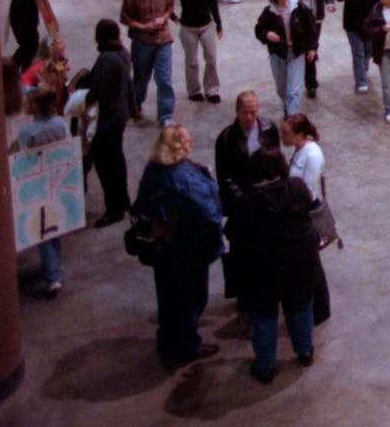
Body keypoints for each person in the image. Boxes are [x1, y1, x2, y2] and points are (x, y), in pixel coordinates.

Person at [133, 124, 224, 363]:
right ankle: (188, 345)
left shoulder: (152, 170)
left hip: (162, 248)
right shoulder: (184, 176)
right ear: (176, 146)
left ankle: (167, 340)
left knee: (167, 296)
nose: (191, 141)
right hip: (188, 248)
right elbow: (208, 213)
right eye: (185, 140)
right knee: (193, 297)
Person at [234, 150, 320, 383]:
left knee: (264, 317)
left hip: (262, 269)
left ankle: (265, 367)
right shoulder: (297, 187)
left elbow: (233, 233)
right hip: (299, 263)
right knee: (300, 309)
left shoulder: (247, 200)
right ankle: (304, 352)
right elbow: (313, 208)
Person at [214, 91, 281, 308]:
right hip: (243, 200)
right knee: (242, 249)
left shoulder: (269, 128)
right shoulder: (226, 139)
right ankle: (243, 294)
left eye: (254, 112)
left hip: (265, 197)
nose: (250, 117)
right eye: (246, 113)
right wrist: (241, 202)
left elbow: (275, 161)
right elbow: (224, 177)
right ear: (237, 112)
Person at [12, 87, 72, 297]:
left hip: (36, 184)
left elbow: (22, 157)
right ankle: (55, 264)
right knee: (56, 223)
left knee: (42, 229)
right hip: (58, 180)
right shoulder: (61, 124)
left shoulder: (28, 132)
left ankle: (53, 276)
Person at [83, 18, 134, 226]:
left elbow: (96, 91)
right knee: (117, 160)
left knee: (105, 166)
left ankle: (113, 210)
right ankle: (123, 200)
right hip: (120, 116)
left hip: (106, 121)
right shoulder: (123, 53)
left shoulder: (107, 59)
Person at [120, 0, 177, 127]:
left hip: (163, 40)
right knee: (141, 79)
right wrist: (144, 26)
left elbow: (170, 7)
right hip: (142, 42)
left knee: (164, 79)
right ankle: (136, 108)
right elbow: (126, 18)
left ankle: (165, 115)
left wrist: (164, 19)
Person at [254, 0, 316, 118]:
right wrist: (268, 34)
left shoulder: (299, 6)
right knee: (281, 88)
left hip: (296, 52)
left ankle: (292, 118)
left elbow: (311, 27)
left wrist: (312, 48)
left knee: (294, 90)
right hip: (278, 53)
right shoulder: (269, 11)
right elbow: (259, 29)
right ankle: (287, 108)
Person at [171, 0, 221, 104]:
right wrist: (173, 17)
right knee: (191, 61)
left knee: (211, 58)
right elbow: (166, 0)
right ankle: (194, 90)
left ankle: (212, 89)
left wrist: (219, 24)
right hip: (188, 28)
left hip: (206, 26)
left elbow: (214, 7)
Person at [335, 0, 379, 94]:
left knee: (368, 50)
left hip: (368, 21)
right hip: (352, 21)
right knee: (358, 52)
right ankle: (360, 81)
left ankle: (363, 68)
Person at [9, 0, 55, 71]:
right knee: (29, 48)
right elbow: (20, 2)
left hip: (23, 22)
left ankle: (20, 69)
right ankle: (14, 69)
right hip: (23, 24)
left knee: (28, 48)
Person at [281, 113, 324, 201]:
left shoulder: (313, 155)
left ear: (300, 135)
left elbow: (307, 189)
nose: (282, 136)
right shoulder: (296, 147)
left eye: (286, 134)